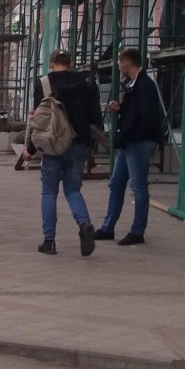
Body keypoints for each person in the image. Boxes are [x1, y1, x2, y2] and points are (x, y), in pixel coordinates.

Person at [31, 51, 104, 256]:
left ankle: (49, 241)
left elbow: (38, 117)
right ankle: (84, 224)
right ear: (70, 63)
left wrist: (31, 147)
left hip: (52, 144)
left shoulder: (44, 84)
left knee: (49, 192)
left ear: (51, 64)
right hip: (79, 144)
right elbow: (95, 118)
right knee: (73, 190)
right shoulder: (87, 85)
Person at [96, 49, 165, 246]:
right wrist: (121, 108)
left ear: (127, 63)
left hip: (139, 142)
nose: (119, 67)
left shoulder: (145, 86)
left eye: (119, 63)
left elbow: (146, 117)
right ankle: (108, 228)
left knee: (138, 187)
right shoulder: (135, 85)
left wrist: (127, 133)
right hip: (129, 142)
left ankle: (137, 231)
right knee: (116, 183)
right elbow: (135, 112)